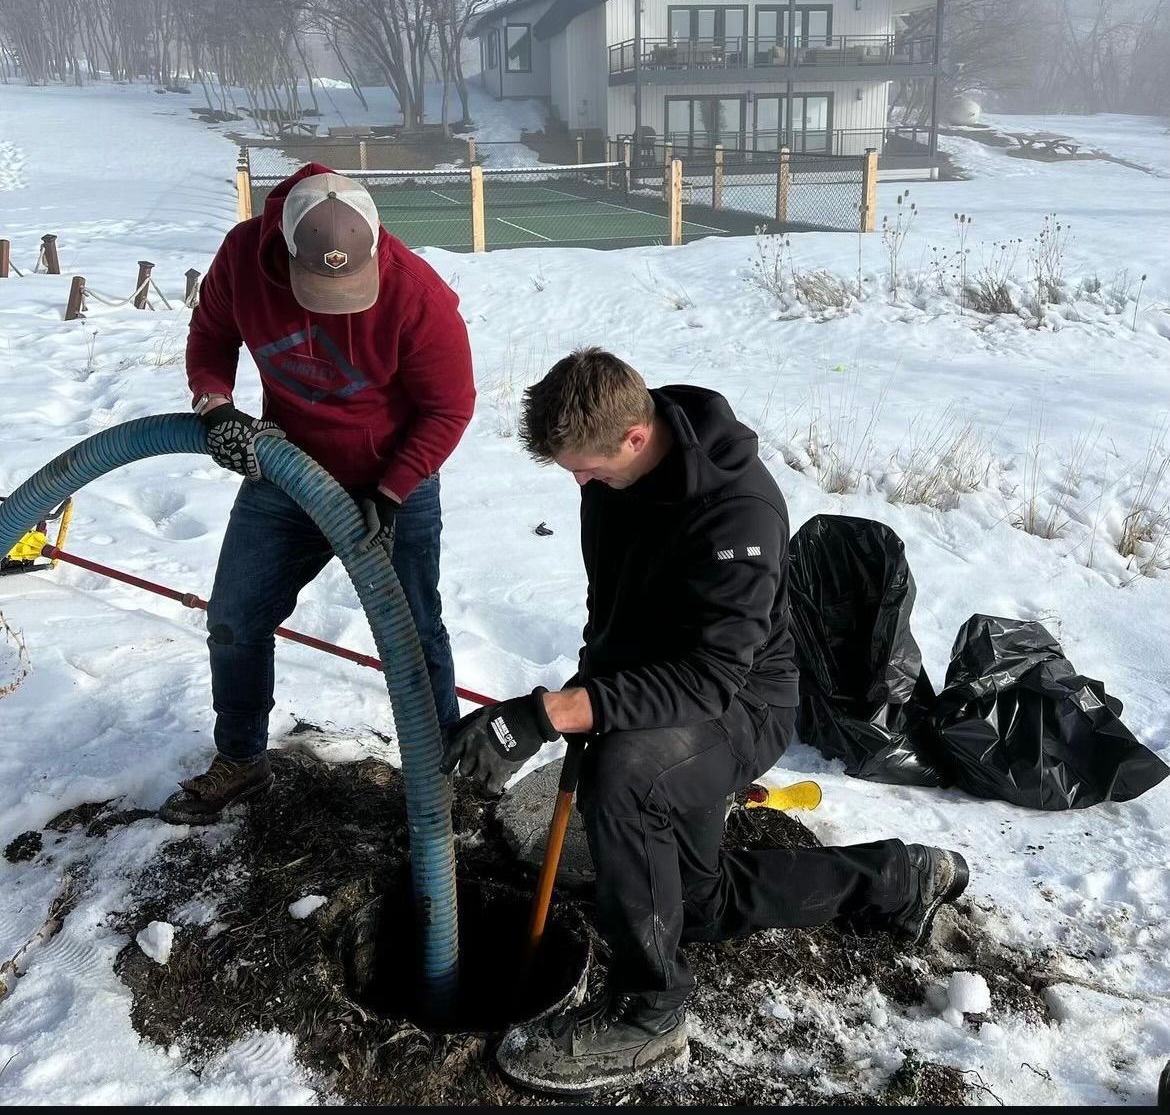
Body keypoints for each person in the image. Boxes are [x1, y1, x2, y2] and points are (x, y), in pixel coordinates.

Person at [443, 349, 968, 1097]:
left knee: (625, 776)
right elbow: (615, 612)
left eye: (584, 468)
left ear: (632, 437)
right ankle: (899, 877)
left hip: (743, 702)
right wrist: (584, 695)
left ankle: (652, 1012)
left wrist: (556, 714)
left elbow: (710, 677)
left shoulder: (738, 514)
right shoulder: (614, 478)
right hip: (661, 688)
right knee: (693, 904)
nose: (578, 484)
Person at [162, 163, 475, 825]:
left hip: (394, 478)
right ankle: (242, 760)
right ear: (283, 242)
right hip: (287, 470)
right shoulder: (244, 258)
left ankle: (441, 779)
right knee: (235, 619)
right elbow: (212, 335)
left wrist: (391, 494)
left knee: (414, 633)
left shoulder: (416, 294)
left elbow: (449, 409)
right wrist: (214, 403)